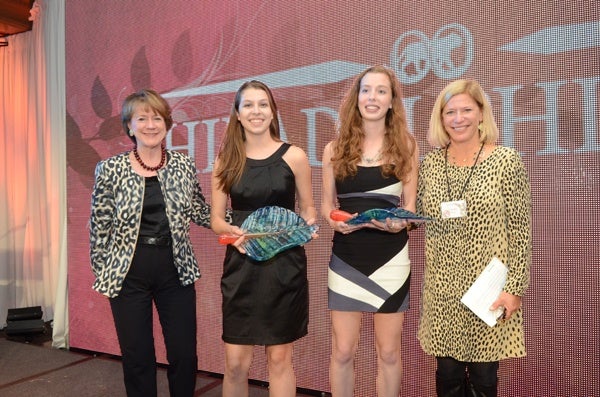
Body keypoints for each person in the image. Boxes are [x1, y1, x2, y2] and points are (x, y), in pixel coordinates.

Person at [89, 89, 216, 397]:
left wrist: (238, 222)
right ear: (129, 126)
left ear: (167, 124)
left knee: (184, 354)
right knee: (138, 358)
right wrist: (105, 270)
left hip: (176, 269)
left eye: (157, 117)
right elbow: (99, 226)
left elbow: (199, 210)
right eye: (141, 118)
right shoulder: (111, 169)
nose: (150, 124)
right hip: (127, 273)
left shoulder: (183, 166)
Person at [417, 79, 531, 397]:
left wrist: (514, 289)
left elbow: (521, 230)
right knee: (448, 375)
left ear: (482, 114)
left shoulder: (506, 161)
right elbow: (416, 217)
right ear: (441, 119)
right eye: (450, 111)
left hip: (489, 290)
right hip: (443, 290)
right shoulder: (429, 165)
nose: (458, 118)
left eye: (466, 109)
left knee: (484, 375)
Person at [210, 80, 317, 397]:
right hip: (241, 266)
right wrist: (230, 232)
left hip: (285, 267)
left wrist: (304, 225)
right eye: (248, 105)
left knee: (280, 359)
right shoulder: (226, 160)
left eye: (263, 104)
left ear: (273, 111)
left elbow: (309, 210)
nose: (256, 111)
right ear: (238, 114)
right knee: (235, 364)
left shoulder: (294, 156)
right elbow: (217, 218)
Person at [321, 65, 419, 397]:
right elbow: (325, 206)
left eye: (381, 91)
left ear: (392, 100)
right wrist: (333, 220)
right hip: (346, 259)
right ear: (357, 97)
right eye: (366, 90)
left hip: (391, 260)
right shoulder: (334, 149)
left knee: (389, 353)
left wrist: (399, 222)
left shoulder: (407, 146)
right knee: (343, 351)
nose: (372, 97)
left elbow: (410, 208)